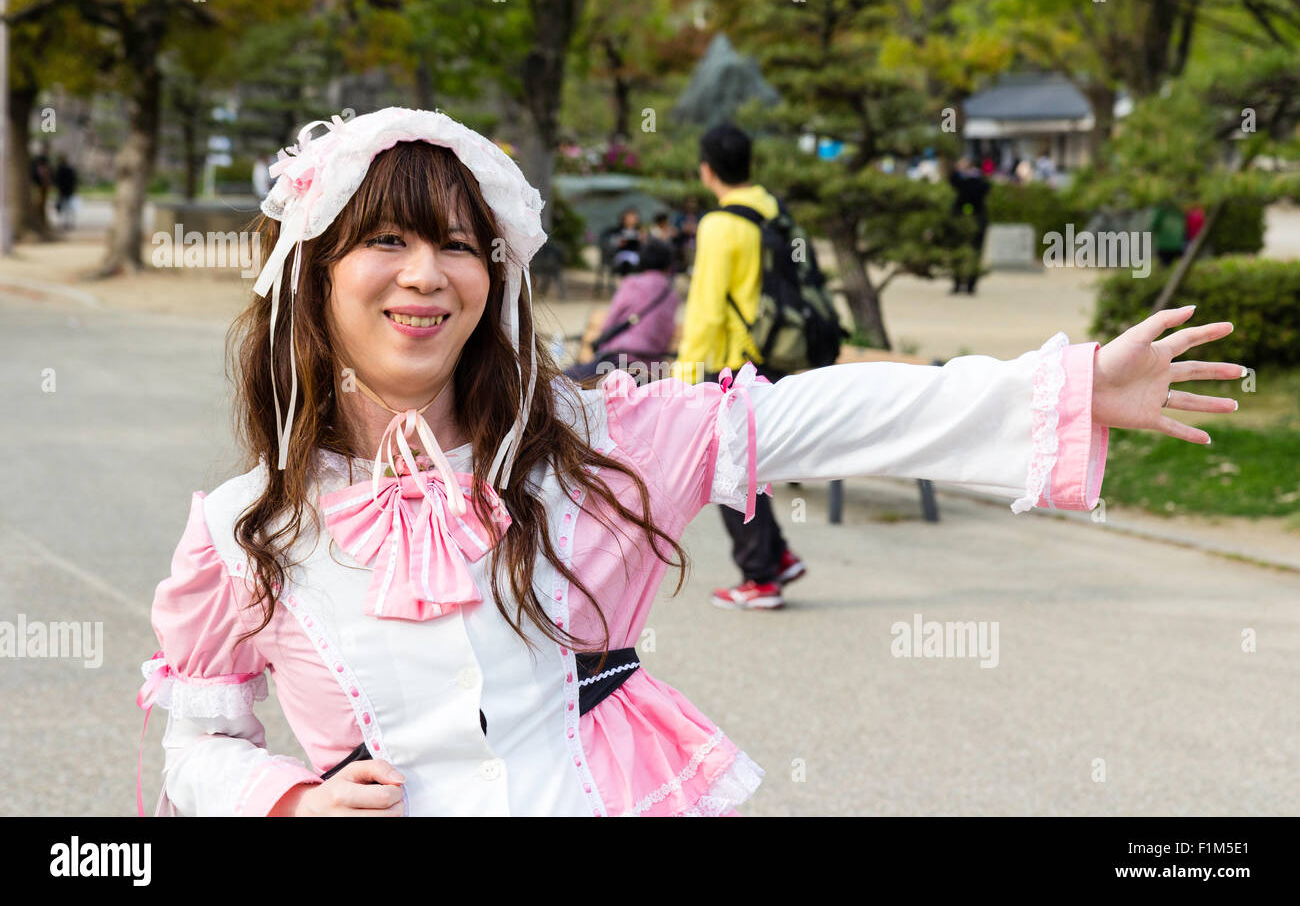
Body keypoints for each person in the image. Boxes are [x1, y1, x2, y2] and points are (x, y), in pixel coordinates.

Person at [134, 106, 1242, 817]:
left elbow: (820, 417)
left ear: (495, 274)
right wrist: (279, 800)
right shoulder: (245, 528)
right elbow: (202, 732)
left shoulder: (591, 445)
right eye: (386, 239)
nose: (426, 274)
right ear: (313, 275)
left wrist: (1056, 386)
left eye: (459, 243)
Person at [671, 122, 807, 611]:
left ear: (707, 170)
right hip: (775, 354)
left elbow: (706, 310)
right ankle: (780, 556)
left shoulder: (719, 224)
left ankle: (760, 577)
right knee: (748, 465)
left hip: (732, 364)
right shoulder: (774, 209)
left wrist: (684, 380)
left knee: (726, 469)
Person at [565, 236, 678, 384]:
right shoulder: (671, 295)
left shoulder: (631, 283)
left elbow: (609, 323)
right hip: (652, 367)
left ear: (642, 260)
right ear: (668, 265)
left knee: (562, 379)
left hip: (617, 363)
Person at [949, 156, 990, 295]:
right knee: (962, 252)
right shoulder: (971, 180)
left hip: (972, 218)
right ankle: (963, 283)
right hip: (965, 219)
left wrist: (965, 174)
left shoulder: (973, 181)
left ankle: (965, 283)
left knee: (972, 252)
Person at [53, 156, 79, 230]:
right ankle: (69, 222)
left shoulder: (60, 170)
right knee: (69, 208)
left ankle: (64, 223)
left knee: (63, 208)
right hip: (69, 191)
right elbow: (74, 180)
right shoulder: (70, 170)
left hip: (62, 191)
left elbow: (56, 181)